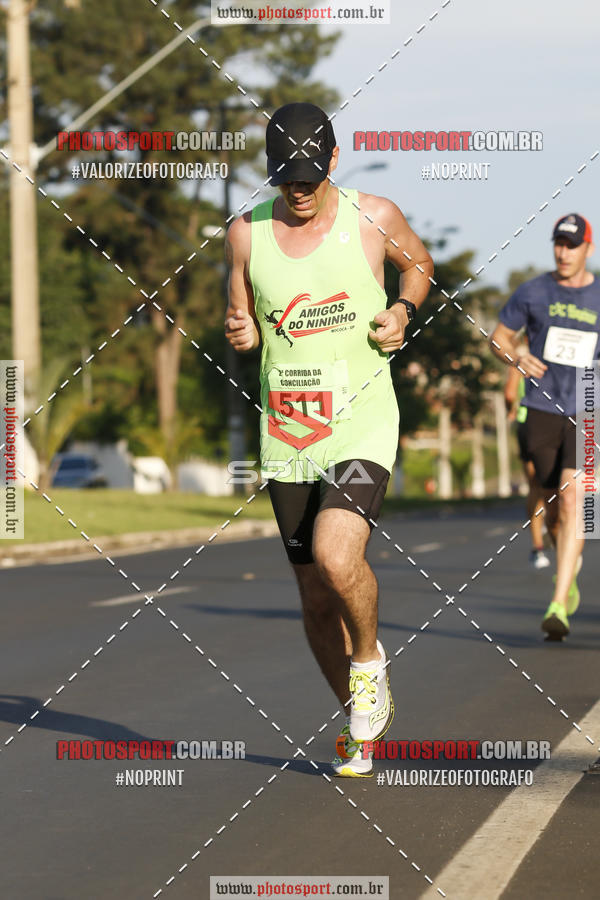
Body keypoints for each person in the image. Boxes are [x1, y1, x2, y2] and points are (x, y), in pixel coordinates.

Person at [224, 102, 433, 775]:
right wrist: (243, 332)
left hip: (362, 419)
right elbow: (240, 313)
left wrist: (401, 309)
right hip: (288, 432)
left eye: (311, 175)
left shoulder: (374, 215)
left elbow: (419, 265)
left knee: (336, 555)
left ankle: (370, 663)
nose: (300, 188)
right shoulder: (244, 234)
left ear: (334, 162)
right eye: (287, 177)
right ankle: (358, 718)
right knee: (314, 594)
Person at [490, 214, 599, 639]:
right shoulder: (533, 291)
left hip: (589, 407)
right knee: (553, 506)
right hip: (541, 407)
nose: (563, 251)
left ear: (587, 248)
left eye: (572, 245)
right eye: (559, 243)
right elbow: (499, 336)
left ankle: (558, 603)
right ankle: (568, 563)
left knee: (576, 501)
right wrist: (515, 356)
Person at [504, 358, 551, 569]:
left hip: (527, 424)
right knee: (557, 484)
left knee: (535, 485)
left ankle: (537, 547)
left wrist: (510, 410)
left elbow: (509, 394)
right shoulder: (556, 357)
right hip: (555, 423)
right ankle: (552, 525)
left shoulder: (521, 361)